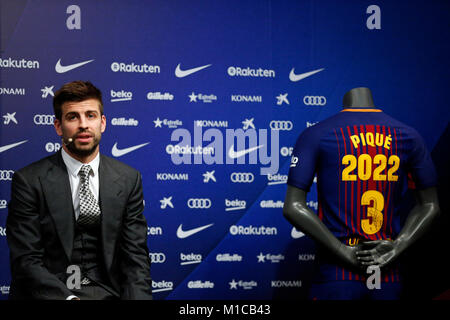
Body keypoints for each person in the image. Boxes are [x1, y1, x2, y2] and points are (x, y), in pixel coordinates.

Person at [283, 87, 440, 300]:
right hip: (386, 272)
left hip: (337, 274)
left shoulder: (317, 133)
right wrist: (397, 246)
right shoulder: (408, 135)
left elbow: (293, 206)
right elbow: (430, 206)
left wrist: (342, 250)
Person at [6, 81, 152, 300]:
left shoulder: (129, 179)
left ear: (102, 123)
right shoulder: (28, 181)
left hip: (107, 292)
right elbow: (26, 261)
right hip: (52, 294)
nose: (83, 124)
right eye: (73, 117)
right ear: (58, 126)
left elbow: (136, 259)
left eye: (91, 115)